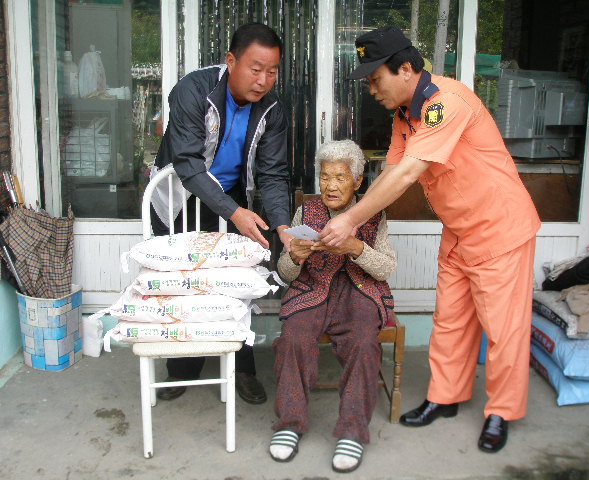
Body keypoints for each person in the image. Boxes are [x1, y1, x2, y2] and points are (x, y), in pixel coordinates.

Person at [319, 26, 541, 453]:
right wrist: (352, 218)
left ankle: (501, 411)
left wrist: (348, 221)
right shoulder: (405, 115)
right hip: (458, 230)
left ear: (405, 69)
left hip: (499, 229)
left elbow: (408, 172)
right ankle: (446, 397)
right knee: (451, 320)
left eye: (376, 79)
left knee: (503, 329)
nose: (371, 90)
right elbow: (391, 172)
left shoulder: (446, 103)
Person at [149, 22, 292, 405]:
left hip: (231, 198)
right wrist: (236, 213)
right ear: (231, 61)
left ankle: (241, 368)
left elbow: (274, 173)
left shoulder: (272, 108)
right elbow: (188, 164)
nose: (263, 81)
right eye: (256, 69)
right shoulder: (193, 90)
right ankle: (183, 367)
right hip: (181, 197)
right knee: (185, 284)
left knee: (235, 283)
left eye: (272, 71)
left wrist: (282, 225)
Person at [269, 140, 396, 473]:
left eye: (340, 177)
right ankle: (290, 423)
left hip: (359, 291)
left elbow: (385, 268)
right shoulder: (307, 211)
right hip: (312, 288)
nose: (331, 186)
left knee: (363, 344)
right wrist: (294, 257)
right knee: (293, 338)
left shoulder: (373, 211)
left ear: (357, 181)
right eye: (325, 177)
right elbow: (284, 273)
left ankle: (353, 431)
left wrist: (355, 247)